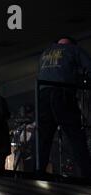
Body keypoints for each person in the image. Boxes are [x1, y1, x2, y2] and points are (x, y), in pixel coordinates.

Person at [37, 36, 91, 178]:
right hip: (62, 92)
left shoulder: (45, 53)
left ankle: (38, 173)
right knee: (75, 135)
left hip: (42, 95)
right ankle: (87, 175)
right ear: (71, 43)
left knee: (43, 138)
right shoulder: (73, 49)